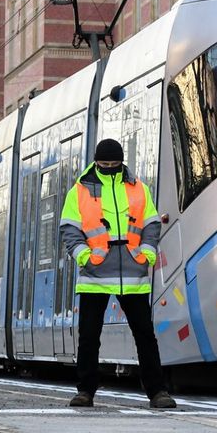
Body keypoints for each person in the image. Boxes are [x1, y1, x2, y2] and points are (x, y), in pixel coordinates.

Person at [59, 139, 176, 410]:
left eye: (114, 164)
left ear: (121, 162)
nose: (109, 168)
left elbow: (152, 224)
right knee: (89, 336)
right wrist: (84, 256)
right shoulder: (79, 190)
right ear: (97, 162)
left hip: (133, 273)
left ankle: (158, 392)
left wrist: (146, 253)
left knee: (145, 334)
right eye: (104, 164)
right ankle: (85, 392)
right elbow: (69, 228)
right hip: (95, 274)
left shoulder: (139, 188)